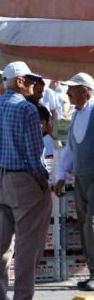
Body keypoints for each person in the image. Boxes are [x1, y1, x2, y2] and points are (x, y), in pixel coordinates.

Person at [0, 61, 51, 300]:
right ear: (18, 81)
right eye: (29, 81)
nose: (33, 85)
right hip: (23, 182)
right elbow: (34, 153)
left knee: (0, 246)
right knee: (27, 249)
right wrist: (42, 181)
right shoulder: (26, 109)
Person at [54, 72, 94, 291]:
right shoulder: (76, 116)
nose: (68, 93)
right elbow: (70, 149)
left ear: (85, 91)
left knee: (91, 224)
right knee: (84, 225)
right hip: (81, 179)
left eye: (72, 89)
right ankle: (92, 272)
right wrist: (61, 176)